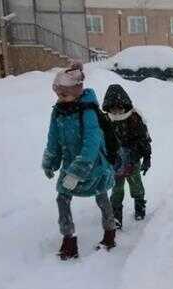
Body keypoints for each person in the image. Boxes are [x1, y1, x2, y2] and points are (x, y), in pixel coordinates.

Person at [42, 63, 117, 260]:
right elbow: (53, 138)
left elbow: (92, 143)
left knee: (101, 196)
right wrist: (50, 161)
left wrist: (78, 171)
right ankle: (69, 240)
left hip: (93, 165)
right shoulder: (59, 111)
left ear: (77, 91)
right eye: (58, 95)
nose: (60, 99)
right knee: (62, 198)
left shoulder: (88, 111)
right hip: (70, 164)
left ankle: (109, 234)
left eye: (64, 94)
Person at [101, 84, 152, 229]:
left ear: (125, 105)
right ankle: (116, 217)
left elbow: (144, 139)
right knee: (116, 189)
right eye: (113, 108)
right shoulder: (105, 120)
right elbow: (99, 140)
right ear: (108, 107)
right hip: (114, 162)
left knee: (136, 184)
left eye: (119, 107)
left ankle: (139, 206)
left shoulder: (134, 118)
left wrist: (147, 157)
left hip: (132, 159)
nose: (116, 111)